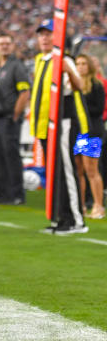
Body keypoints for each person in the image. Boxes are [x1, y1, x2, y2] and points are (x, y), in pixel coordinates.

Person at [29, 20, 87, 233]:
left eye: (48, 34)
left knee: (66, 170)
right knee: (54, 172)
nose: (44, 38)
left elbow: (80, 86)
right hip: (45, 125)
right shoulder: (40, 60)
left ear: (58, 37)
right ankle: (60, 217)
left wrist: (68, 71)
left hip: (63, 123)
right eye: (41, 34)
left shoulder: (63, 59)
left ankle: (76, 220)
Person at [0, 33, 30, 204]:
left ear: (12, 46)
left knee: (11, 156)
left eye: (7, 44)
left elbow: (24, 93)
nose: (4, 46)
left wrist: (15, 115)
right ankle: (1, 192)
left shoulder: (16, 66)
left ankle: (16, 194)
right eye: (1, 44)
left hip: (8, 118)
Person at [74, 54, 104, 219]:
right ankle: (81, 205)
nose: (81, 67)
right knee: (78, 171)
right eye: (78, 64)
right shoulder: (73, 85)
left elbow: (98, 110)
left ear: (90, 66)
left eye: (84, 63)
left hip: (91, 132)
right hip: (77, 132)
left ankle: (98, 205)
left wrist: (79, 110)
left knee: (91, 171)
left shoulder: (96, 85)